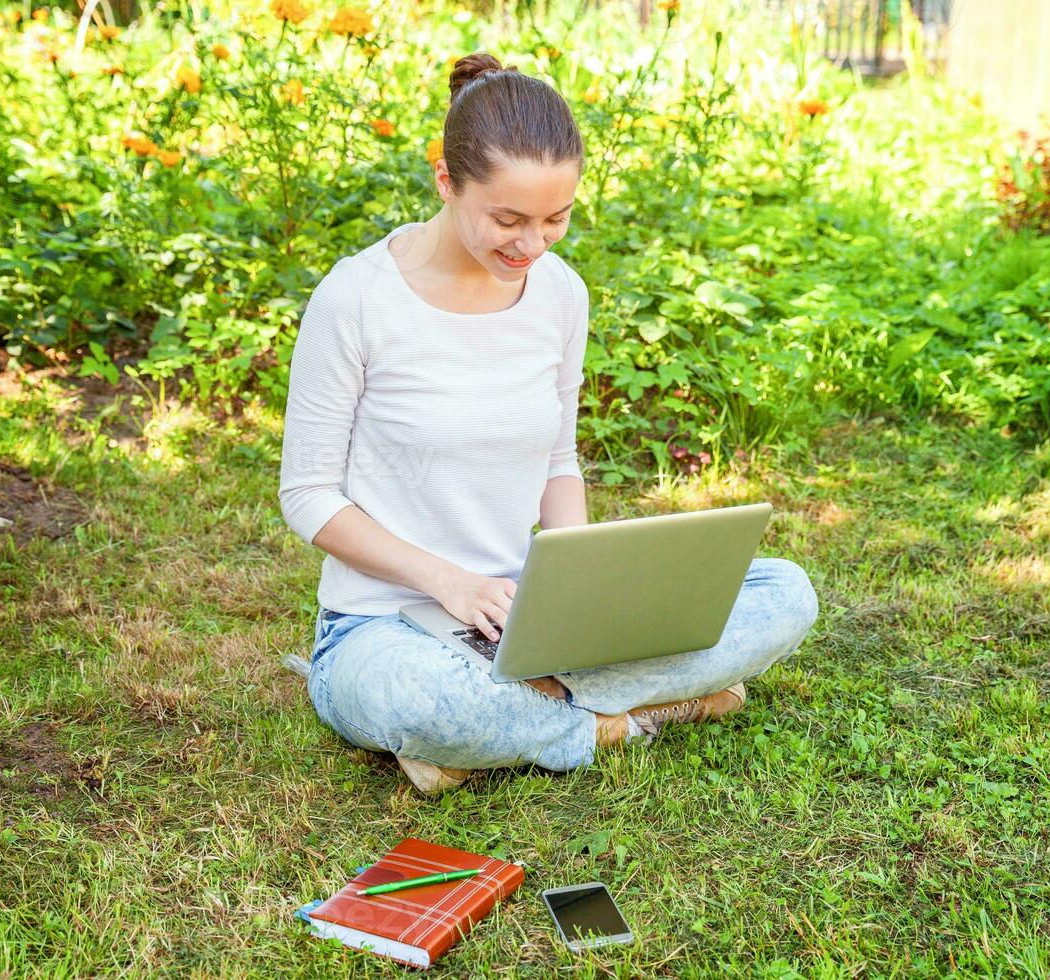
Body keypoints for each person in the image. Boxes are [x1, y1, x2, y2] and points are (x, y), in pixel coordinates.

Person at [278, 52, 819, 794]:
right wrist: (450, 583)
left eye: (555, 219)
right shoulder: (357, 299)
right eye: (507, 219)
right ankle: (628, 718)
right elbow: (308, 494)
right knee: (415, 697)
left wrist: (585, 593)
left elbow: (558, 459)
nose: (531, 245)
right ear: (446, 182)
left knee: (787, 593)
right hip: (387, 629)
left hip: (526, 628)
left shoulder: (559, 293)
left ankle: (510, 727)